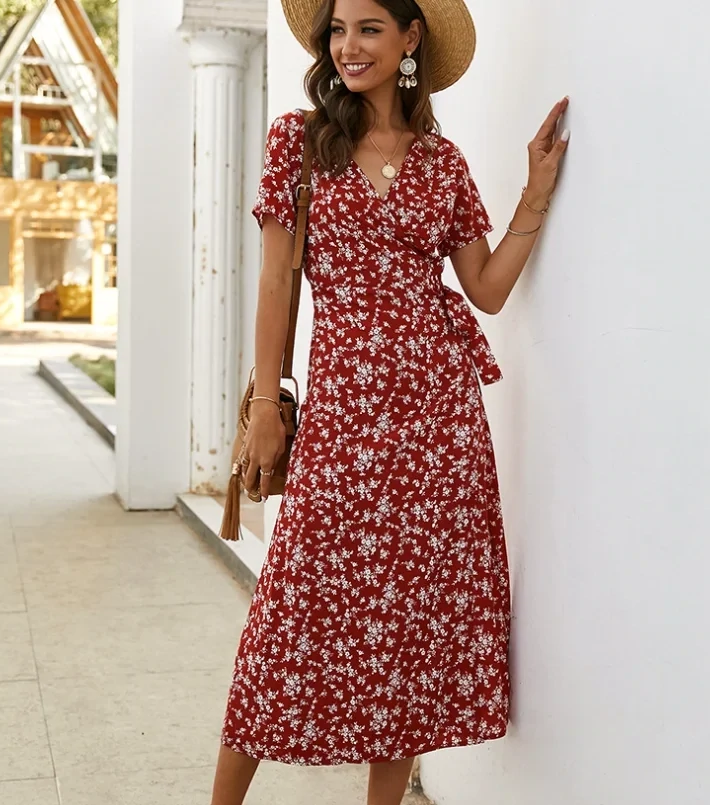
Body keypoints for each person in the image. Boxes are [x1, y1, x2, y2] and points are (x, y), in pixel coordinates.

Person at [211, 0, 569, 802]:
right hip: (342, 418)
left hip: (439, 426)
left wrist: (533, 196)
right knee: (288, 619)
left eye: (368, 29)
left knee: (408, 629)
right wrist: (265, 402)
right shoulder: (297, 144)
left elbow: (484, 290)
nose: (348, 47)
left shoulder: (440, 163)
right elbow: (277, 279)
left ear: (410, 39)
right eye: (337, 31)